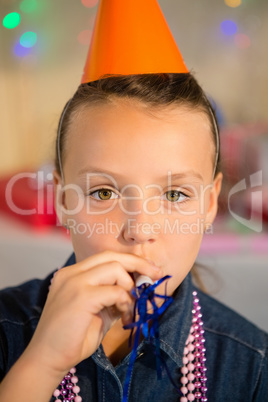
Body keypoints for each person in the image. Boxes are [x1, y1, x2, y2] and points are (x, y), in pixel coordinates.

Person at [0, 1, 267, 402]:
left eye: (175, 194)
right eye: (104, 193)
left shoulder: (253, 366)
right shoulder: (7, 332)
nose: (140, 230)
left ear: (210, 203)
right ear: (63, 200)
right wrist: (41, 364)